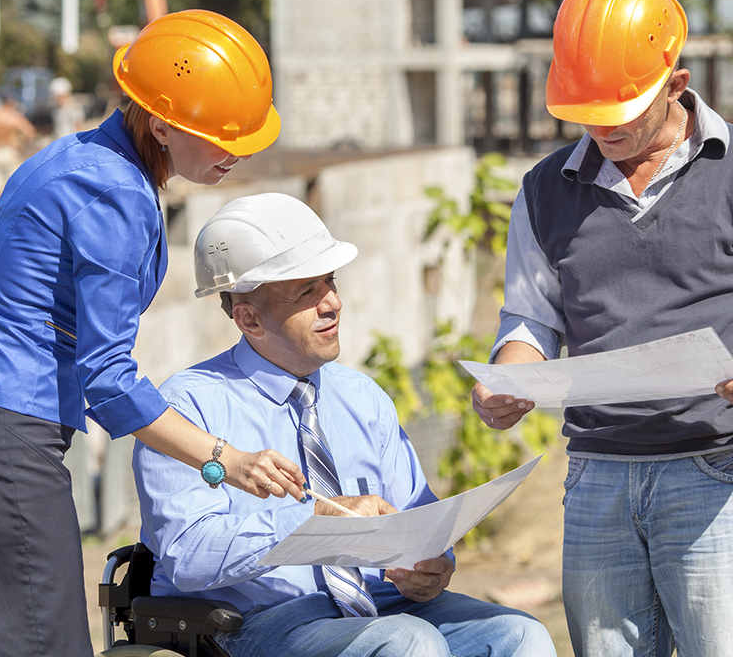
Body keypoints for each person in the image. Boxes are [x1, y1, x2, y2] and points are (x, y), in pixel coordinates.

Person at [471, 0, 733, 657]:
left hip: (718, 473)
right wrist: (510, 378)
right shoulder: (541, 191)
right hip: (596, 478)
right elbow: (531, 319)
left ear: (676, 84)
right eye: (585, 114)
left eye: (617, 112)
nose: (601, 129)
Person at [0, 11, 306, 657]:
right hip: (2, 443)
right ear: (159, 124)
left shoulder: (82, 159)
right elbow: (107, 377)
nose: (237, 151)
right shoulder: (114, 194)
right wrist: (224, 459)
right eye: (219, 136)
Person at [134, 193, 558, 657]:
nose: (332, 302)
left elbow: (418, 519)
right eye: (306, 292)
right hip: (257, 625)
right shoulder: (187, 406)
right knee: (405, 643)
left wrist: (431, 567)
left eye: (330, 282)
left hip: (386, 606)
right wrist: (314, 522)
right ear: (249, 318)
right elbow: (187, 556)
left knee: (522, 635)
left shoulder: (362, 397)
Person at [0, 96, 38, 204]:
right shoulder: (12, 116)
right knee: (14, 187)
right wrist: (20, 145)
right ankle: (11, 216)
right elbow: (30, 132)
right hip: (10, 151)